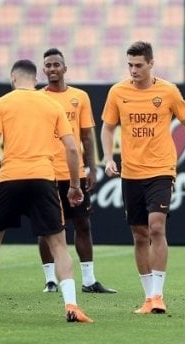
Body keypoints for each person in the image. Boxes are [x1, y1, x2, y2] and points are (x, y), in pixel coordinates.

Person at [0, 59, 92, 323]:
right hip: (43, 178)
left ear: (13, 78)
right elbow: (73, 149)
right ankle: (72, 305)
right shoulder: (52, 104)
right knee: (59, 244)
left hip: (10, 177)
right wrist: (74, 185)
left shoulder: (2, 103)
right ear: (35, 79)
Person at [100, 41, 185, 315]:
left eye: (138, 65)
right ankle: (148, 298)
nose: (133, 70)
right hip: (131, 172)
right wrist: (108, 158)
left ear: (151, 63)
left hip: (161, 170)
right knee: (139, 234)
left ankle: (158, 295)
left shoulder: (167, 91)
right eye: (130, 65)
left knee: (156, 227)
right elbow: (107, 128)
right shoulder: (117, 92)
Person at [38, 48, 115, 294]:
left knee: (83, 224)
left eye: (56, 65)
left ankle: (89, 280)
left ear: (65, 68)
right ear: (43, 70)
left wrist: (92, 168)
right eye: (48, 65)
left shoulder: (79, 97)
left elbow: (86, 137)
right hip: (46, 172)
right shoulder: (38, 98)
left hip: (74, 173)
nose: (52, 69)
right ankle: (50, 280)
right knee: (47, 228)